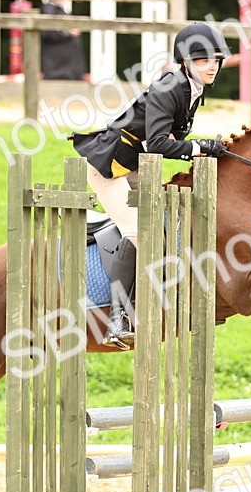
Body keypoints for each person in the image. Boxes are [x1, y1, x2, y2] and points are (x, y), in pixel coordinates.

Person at [71, 22, 229, 349]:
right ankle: (116, 319)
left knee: (168, 228)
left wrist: (204, 148)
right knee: (138, 233)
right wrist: (201, 148)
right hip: (111, 166)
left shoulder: (193, 89)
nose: (212, 66)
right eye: (203, 60)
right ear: (186, 62)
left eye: (216, 59)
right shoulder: (169, 88)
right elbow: (158, 143)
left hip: (136, 164)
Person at [40, 0, 85, 81]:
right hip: (58, 67)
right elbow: (48, 33)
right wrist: (68, 33)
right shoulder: (49, 9)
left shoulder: (58, 9)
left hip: (65, 65)